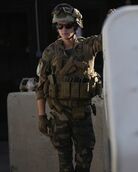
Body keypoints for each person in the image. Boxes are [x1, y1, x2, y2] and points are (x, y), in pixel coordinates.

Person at [35, 3, 103, 172]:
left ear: (76, 25)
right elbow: (41, 87)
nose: (64, 29)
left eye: (68, 25)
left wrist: (114, 22)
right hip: (60, 116)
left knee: (84, 160)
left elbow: (109, 39)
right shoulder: (50, 52)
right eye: (60, 26)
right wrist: (41, 116)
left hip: (82, 115)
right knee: (64, 163)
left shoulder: (89, 46)